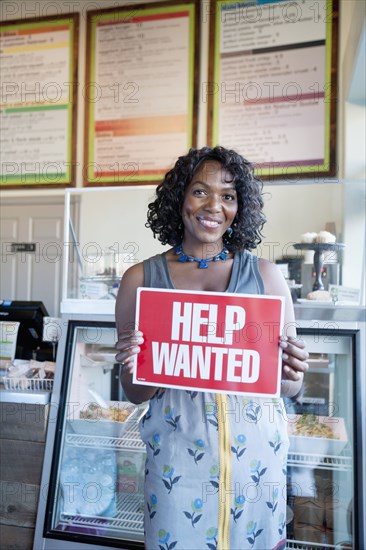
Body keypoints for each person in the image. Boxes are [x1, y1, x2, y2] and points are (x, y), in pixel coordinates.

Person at [115, 146, 309, 550]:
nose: (214, 206)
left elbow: (287, 389)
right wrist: (131, 365)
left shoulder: (265, 276)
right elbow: (135, 391)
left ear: (240, 208)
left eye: (228, 196)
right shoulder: (141, 279)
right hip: (177, 466)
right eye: (200, 191)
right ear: (179, 198)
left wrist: (293, 373)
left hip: (256, 467)